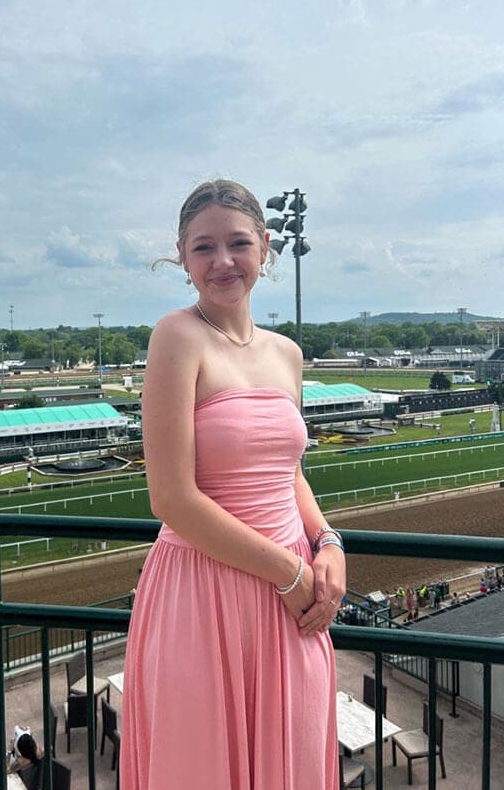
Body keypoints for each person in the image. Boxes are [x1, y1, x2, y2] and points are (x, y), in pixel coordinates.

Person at [120, 180, 346, 790]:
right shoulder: (177, 335)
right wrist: (291, 573)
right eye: (204, 248)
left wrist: (328, 544)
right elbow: (171, 499)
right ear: (182, 256)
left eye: (239, 242)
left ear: (267, 247)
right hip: (205, 591)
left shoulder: (287, 353)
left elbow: (289, 471)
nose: (222, 261)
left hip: (290, 596)